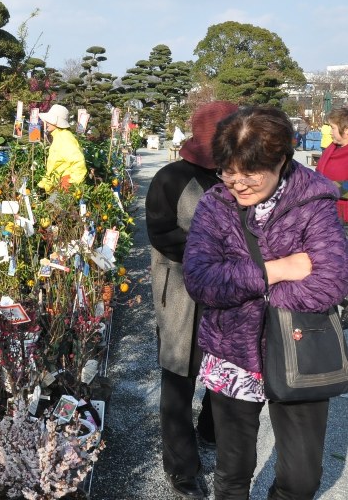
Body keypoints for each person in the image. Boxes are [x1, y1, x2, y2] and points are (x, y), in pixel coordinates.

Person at [183, 107, 348, 500]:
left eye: (249, 172)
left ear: (281, 160)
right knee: (232, 471)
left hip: (298, 348)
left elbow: (330, 283)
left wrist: (239, 285)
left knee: (301, 479)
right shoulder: (214, 204)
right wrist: (277, 270)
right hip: (232, 354)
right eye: (228, 171)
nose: (237, 183)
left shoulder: (315, 199)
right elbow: (201, 280)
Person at [146, 101, 237, 500]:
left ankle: (211, 431)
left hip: (230, 292)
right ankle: (181, 468)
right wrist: (213, 254)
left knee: (228, 367)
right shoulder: (171, 177)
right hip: (181, 292)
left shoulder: (240, 173)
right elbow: (160, 232)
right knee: (179, 378)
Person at [36, 104, 87, 191]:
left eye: (49, 121)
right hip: (58, 185)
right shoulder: (58, 136)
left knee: (53, 204)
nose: (47, 123)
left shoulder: (64, 137)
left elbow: (78, 161)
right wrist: (44, 184)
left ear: (57, 122)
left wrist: (71, 183)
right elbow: (55, 166)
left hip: (64, 186)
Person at [316, 106, 348, 225]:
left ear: (346, 130)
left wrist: (328, 187)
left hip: (344, 219)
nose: (330, 131)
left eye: (333, 128)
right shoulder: (332, 147)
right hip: (324, 212)